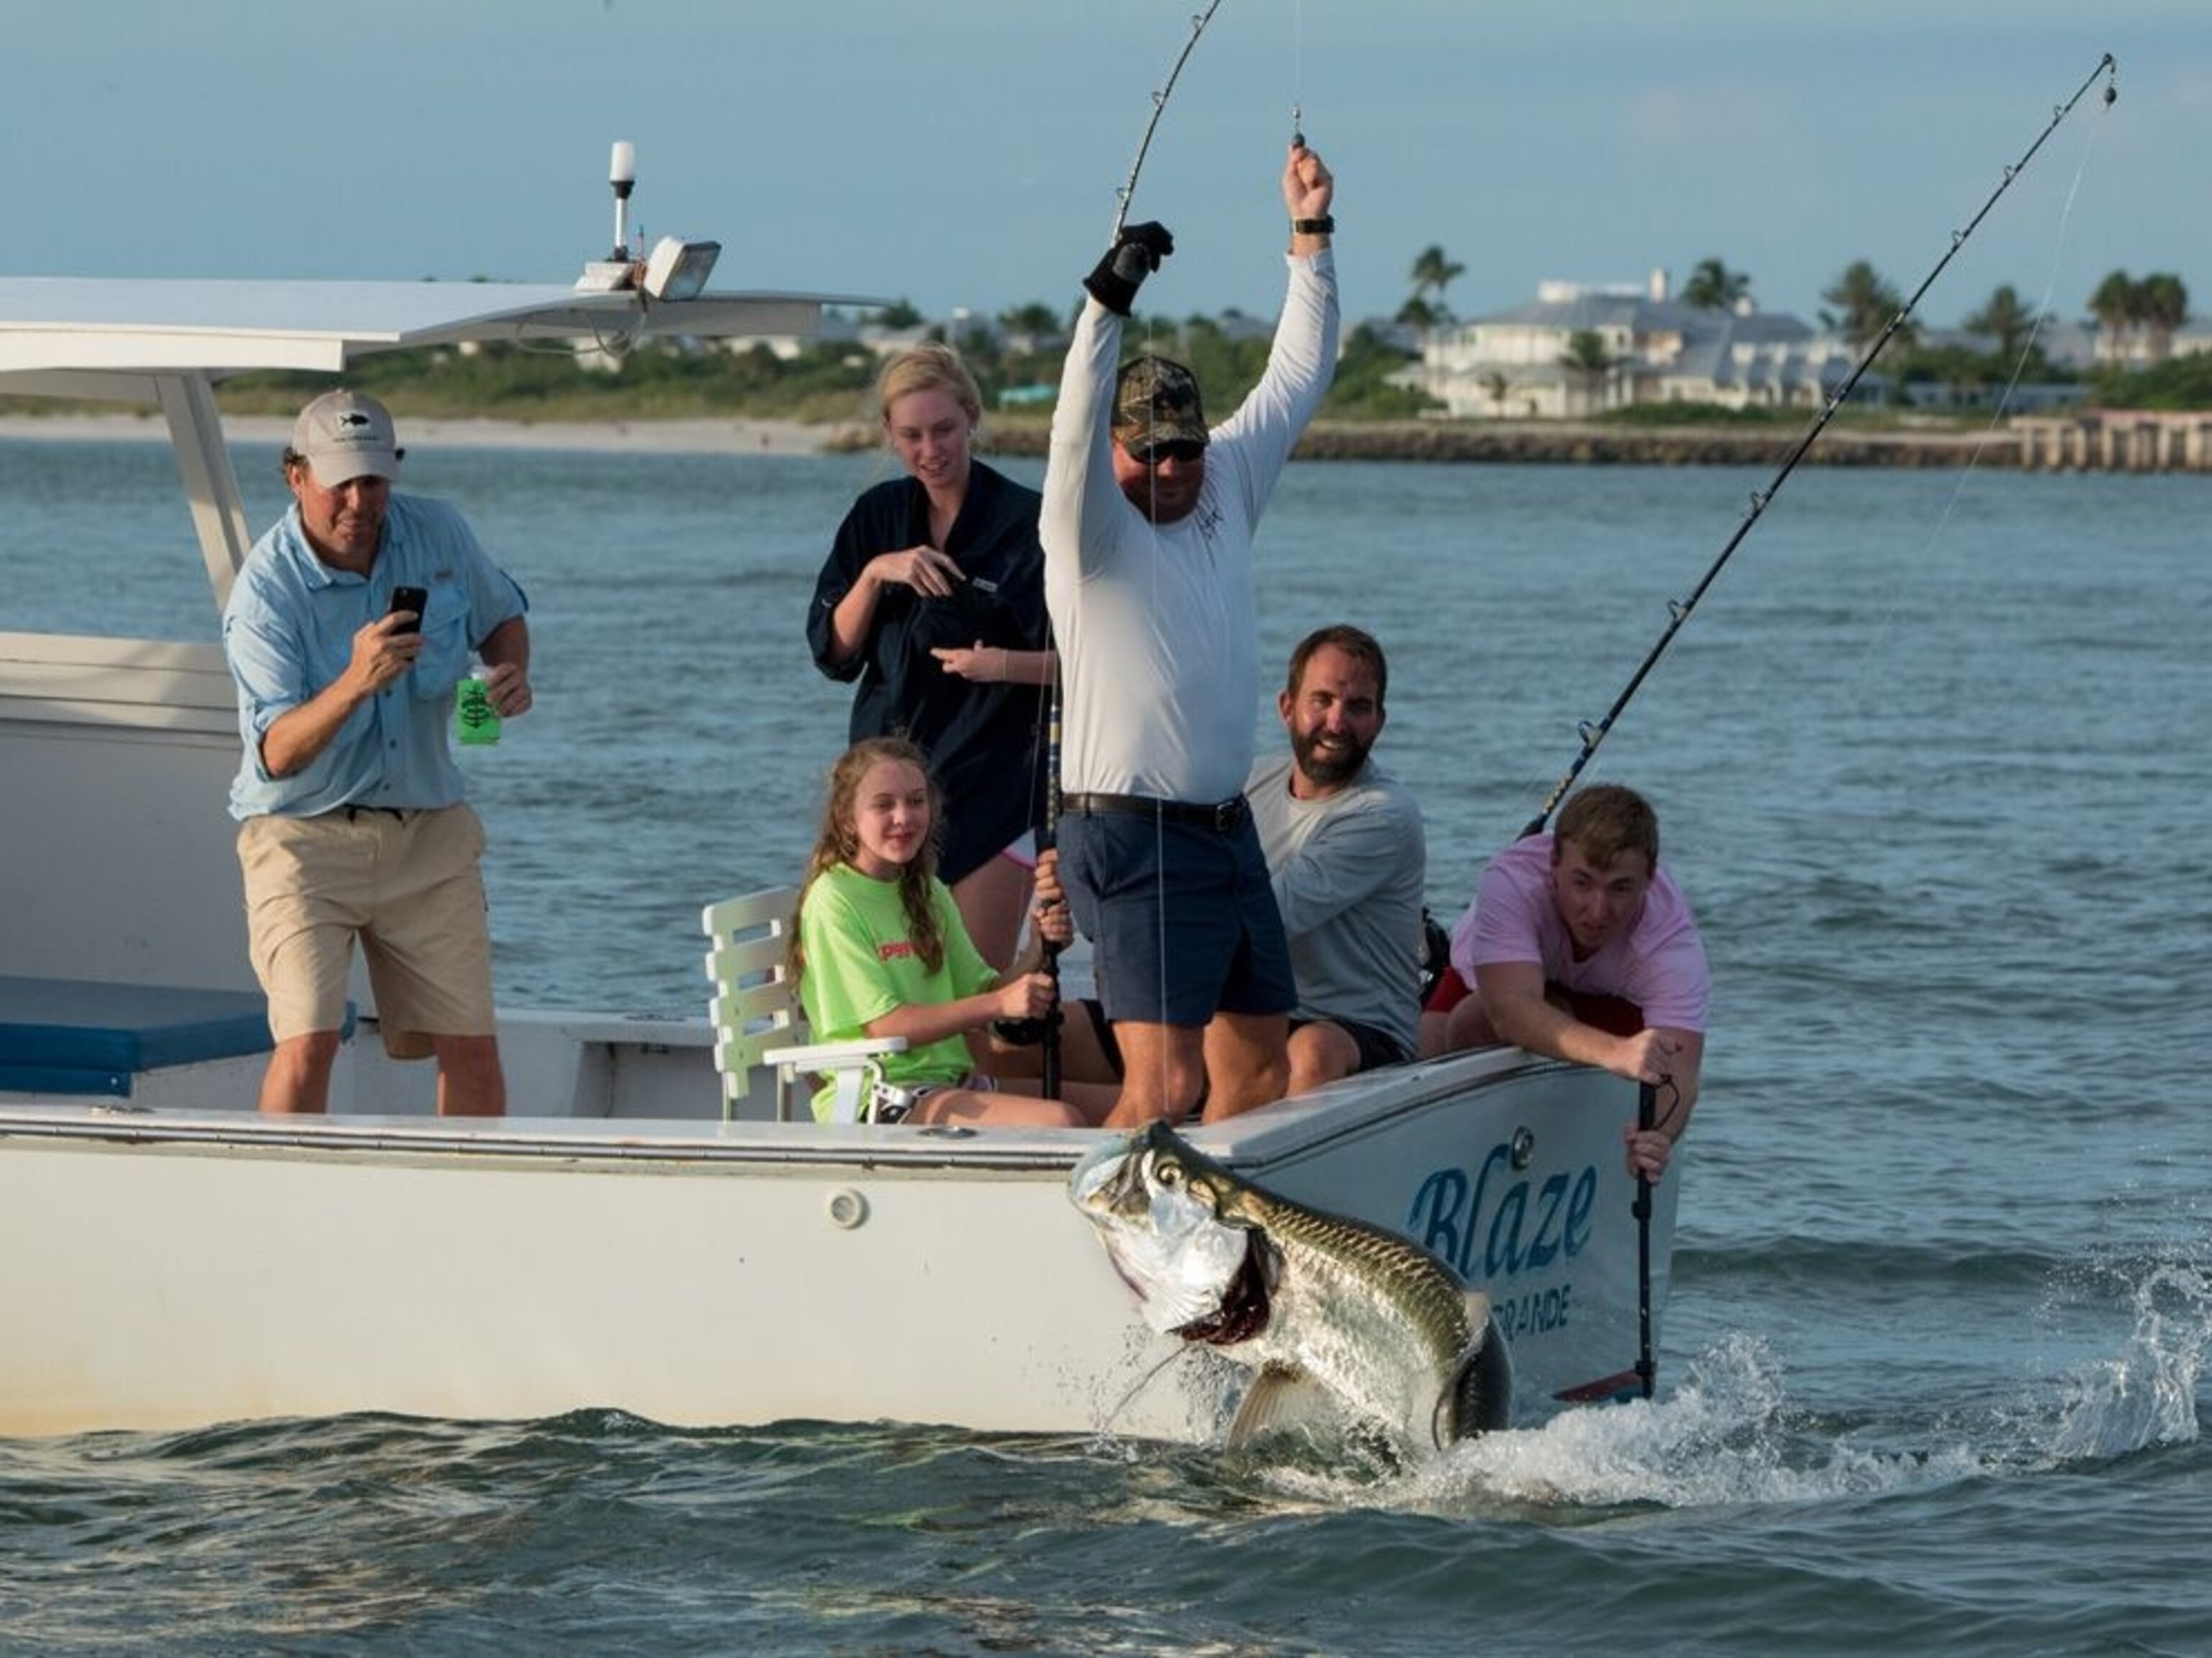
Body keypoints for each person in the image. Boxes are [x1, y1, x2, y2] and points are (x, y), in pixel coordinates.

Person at [1040, 140, 1341, 1129]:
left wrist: (1309, 231)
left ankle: (1203, 1225)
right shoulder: (1089, 529)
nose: (1170, 470)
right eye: (1149, 453)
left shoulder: (1227, 486)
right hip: (1131, 832)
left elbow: (1300, 372)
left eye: (1185, 450)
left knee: (1255, 1072)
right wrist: (1106, 305)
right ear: (1118, 451)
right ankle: (1089, 1227)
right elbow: (1074, 426)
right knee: (1164, 1087)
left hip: (1225, 830)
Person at [222, 390, 533, 1116]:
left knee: (473, 1047)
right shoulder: (264, 592)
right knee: (308, 1043)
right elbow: (276, 753)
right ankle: (280, 1188)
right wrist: (355, 682)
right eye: (341, 482)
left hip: (428, 829)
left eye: (374, 479)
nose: (360, 502)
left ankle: (468, 1189)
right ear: (296, 475)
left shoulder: (438, 530)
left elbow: (503, 617)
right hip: (301, 837)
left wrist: (509, 675)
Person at [807, 344, 1054, 969]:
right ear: (889, 433)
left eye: (943, 430)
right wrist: (876, 573)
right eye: (911, 436)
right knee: (878, 980)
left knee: (974, 989)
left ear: (972, 416)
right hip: (883, 792)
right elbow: (834, 652)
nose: (930, 450)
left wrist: (1002, 666)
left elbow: (1091, 668)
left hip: (993, 791)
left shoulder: (1030, 524)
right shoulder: (876, 516)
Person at [792, 737, 1121, 1128]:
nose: (903, 817)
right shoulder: (834, 898)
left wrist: (1036, 950)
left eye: (916, 801)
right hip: (879, 1096)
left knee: (1129, 1109)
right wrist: (999, 1004)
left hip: (951, 1083)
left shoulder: (927, 889)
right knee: (1060, 1122)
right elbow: (886, 1026)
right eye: (884, 805)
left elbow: (981, 992)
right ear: (846, 818)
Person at [1423, 784, 1708, 1181]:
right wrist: (1616, 1053)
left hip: (1611, 1003)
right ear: (1553, 864)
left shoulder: (1671, 939)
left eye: (1621, 888)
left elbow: (1680, 1073)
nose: (1598, 911)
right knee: (1447, 1037)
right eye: (1582, 883)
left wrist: (1659, 1136)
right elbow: (1509, 1012)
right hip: (1506, 983)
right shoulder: (1510, 881)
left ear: (1649, 877)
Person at [1246, 625, 1426, 1095]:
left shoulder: (1383, 815)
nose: (1337, 723)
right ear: (1287, 707)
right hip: (1256, 1013)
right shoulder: (1248, 783)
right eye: (1322, 700)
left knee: (1310, 1052)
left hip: (1358, 1030)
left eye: (1358, 707)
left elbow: (1267, 921)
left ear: (1380, 721)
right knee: (1071, 1029)